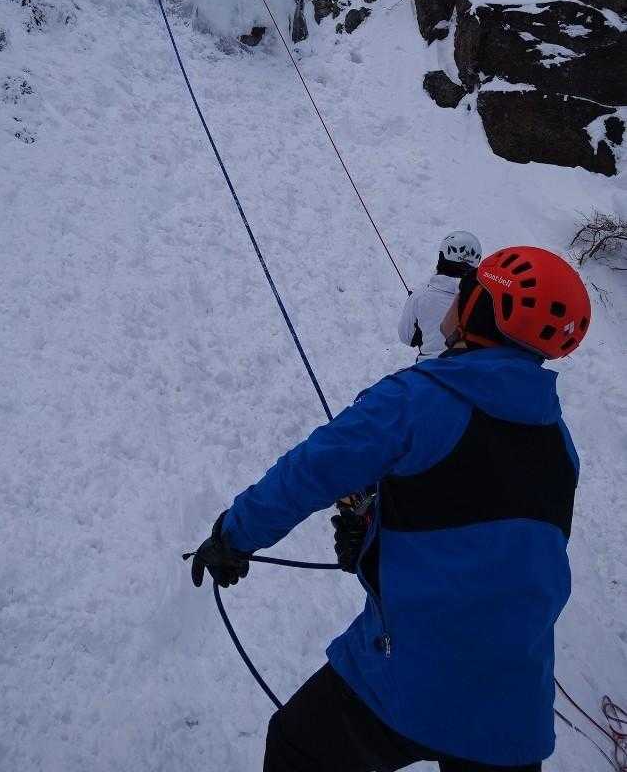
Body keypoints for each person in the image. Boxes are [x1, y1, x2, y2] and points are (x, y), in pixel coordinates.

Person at [191, 246, 591, 772]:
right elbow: (493, 548)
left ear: (479, 311)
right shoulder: (558, 443)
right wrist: (377, 534)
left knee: (296, 747)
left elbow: (309, 472)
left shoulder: (416, 399)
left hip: (408, 676)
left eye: (467, 289)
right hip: (515, 708)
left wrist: (232, 536)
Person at [398, 230, 482, 360]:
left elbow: (407, 338)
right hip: (469, 368)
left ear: (441, 257)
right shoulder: (483, 298)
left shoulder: (419, 297)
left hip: (429, 368)